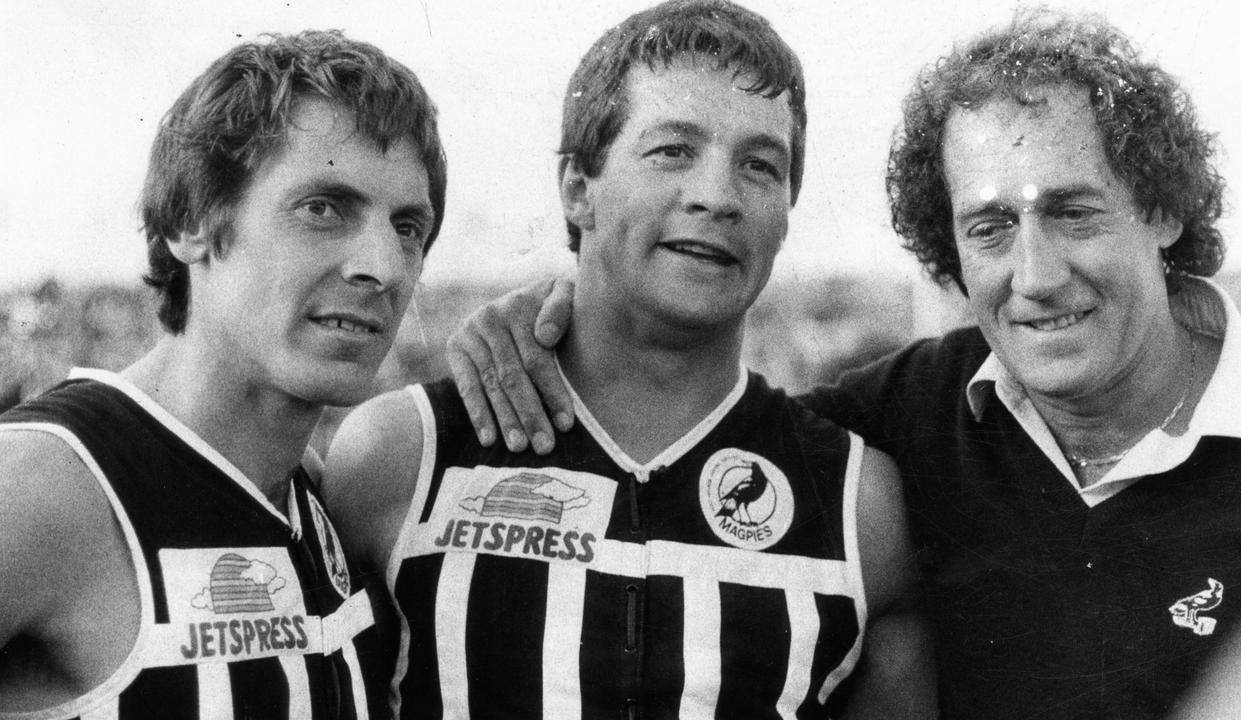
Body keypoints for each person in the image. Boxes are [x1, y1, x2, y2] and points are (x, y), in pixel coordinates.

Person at [445, 9, 1241, 720]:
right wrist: (552, 316)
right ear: (947, 247)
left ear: (1164, 210)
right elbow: (692, 418)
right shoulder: (906, 417)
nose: (1036, 276)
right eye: (990, 227)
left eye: (1074, 212)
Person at [322, 2, 934, 719]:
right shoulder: (400, 459)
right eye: (673, 150)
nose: (717, 196)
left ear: (789, 209)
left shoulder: (860, 509)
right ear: (578, 188)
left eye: (761, 166)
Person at [0, 30, 447, 719]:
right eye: (323, 208)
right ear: (193, 220)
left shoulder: (319, 497)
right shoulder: (45, 484)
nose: (383, 268)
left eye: (409, 226)